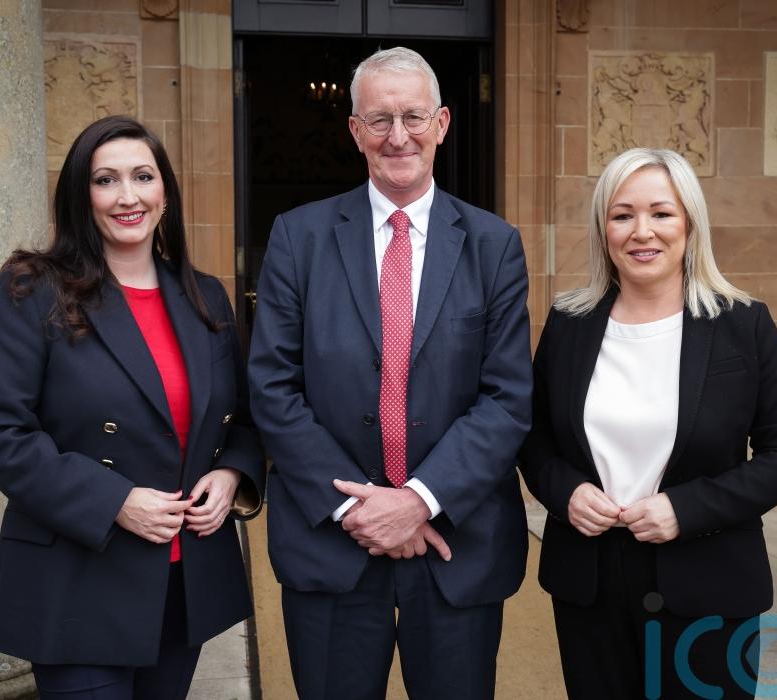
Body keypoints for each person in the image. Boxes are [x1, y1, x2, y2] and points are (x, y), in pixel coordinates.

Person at [248, 46, 533, 699]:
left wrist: (418, 501)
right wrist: (360, 508)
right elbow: (272, 387)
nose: (397, 136)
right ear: (355, 130)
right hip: (333, 544)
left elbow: (507, 397)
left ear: (442, 123)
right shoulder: (297, 238)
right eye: (379, 119)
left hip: (454, 542)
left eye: (413, 117)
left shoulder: (494, 246)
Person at [0, 115, 265, 700]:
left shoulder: (206, 296)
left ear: (165, 193)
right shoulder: (35, 289)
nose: (128, 196)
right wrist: (115, 501)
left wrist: (232, 474)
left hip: (182, 584)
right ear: (82, 196)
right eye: (106, 180)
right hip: (79, 581)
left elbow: (245, 418)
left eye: (143, 177)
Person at [518, 147, 777, 699]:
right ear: (603, 229)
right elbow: (534, 438)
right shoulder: (569, 323)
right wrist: (567, 492)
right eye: (622, 214)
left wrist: (686, 508)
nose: (642, 231)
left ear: (690, 223)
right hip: (589, 583)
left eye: (661, 213)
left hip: (709, 581)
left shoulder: (743, 324)